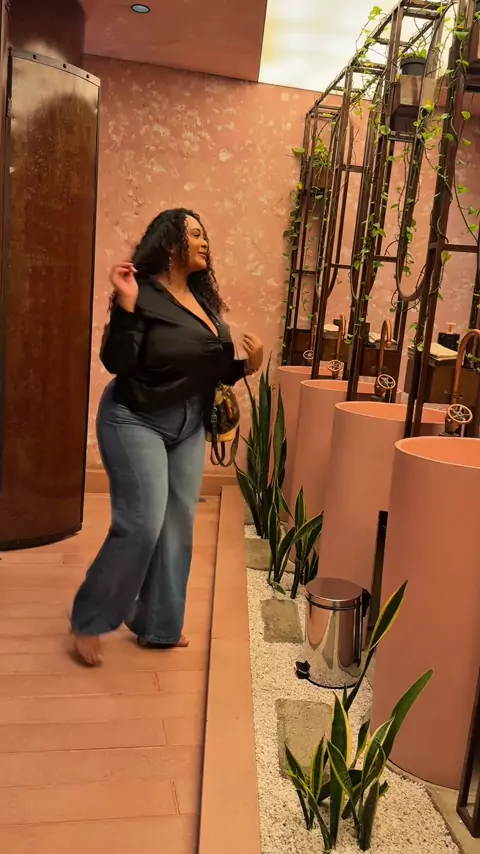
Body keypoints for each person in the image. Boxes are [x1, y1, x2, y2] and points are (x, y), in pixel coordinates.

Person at [71, 208, 263, 665]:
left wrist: (247, 366)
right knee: (141, 523)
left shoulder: (203, 303)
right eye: (194, 233)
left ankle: (159, 626)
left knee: (177, 525)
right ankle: (90, 619)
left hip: (189, 424)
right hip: (134, 418)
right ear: (171, 242)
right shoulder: (143, 293)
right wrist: (125, 304)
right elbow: (118, 362)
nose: (204, 241)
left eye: (204, 233)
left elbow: (212, 368)